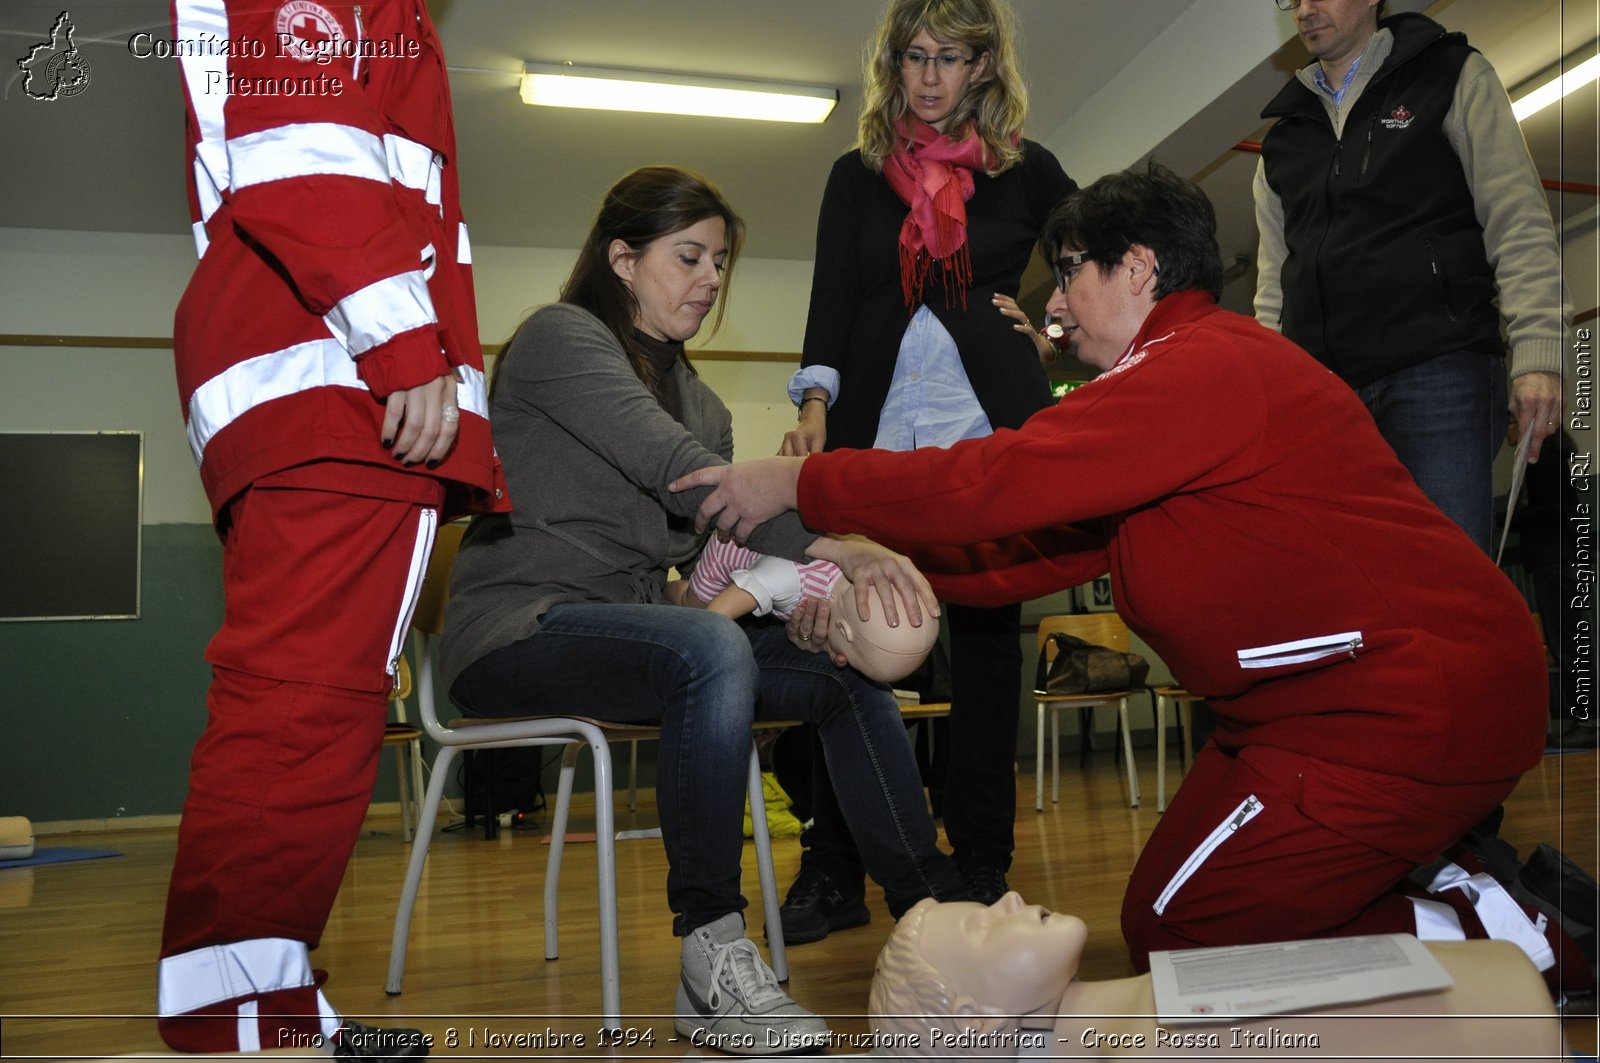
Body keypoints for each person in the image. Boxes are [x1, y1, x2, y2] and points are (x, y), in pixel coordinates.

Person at [671, 164, 1591, 999]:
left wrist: (802, 481)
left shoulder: (1200, 365)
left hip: (1407, 705)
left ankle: (1512, 932)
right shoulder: (1170, 391)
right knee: (1165, 919)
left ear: (1140, 267)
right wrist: (863, 569)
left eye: (1071, 271)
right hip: (1305, 715)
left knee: (1184, 927)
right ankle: (1442, 874)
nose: (1057, 303)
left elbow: (998, 481)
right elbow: (1017, 560)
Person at [437, 166, 967, 1053]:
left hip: (646, 634)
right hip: (518, 631)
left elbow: (693, 572)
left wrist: (788, 608)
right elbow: (683, 472)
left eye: (719, 262)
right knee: (703, 650)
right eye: (689, 256)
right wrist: (842, 542)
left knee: (833, 677)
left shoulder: (707, 404)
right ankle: (712, 950)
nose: (711, 278)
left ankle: (935, 916)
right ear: (622, 258)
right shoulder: (559, 338)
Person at [157, 2, 504, 1057]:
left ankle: (263, 1000)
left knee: (306, 703)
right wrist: (404, 347)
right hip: (335, 380)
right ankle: (240, 1019)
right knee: (304, 704)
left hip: (317, 379)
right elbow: (300, 142)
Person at [776, 0, 1079, 936]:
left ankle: (982, 863)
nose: (931, 76)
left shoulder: (1025, 171)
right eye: (915, 57)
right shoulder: (856, 175)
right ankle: (834, 863)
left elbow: (1096, 248)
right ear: (894, 64)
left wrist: (1057, 325)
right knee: (851, 643)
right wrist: (815, 410)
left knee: (986, 654)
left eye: (951, 58)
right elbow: (832, 297)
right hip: (876, 436)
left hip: (985, 440)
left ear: (985, 68)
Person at [1254, 0, 1571, 555]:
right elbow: (1272, 290)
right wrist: (1270, 403)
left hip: (1440, 373)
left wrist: (1539, 354)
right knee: (1362, 592)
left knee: (1450, 580)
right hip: (1327, 402)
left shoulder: (1451, 75)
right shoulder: (1282, 141)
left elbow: (1517, 218)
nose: (1304, 9)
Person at [867, 894, 1564, 1061]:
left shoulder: (1141, 1003)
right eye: (986, 923)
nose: (1010, 899)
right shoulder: (1141, 1041)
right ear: (976, 1019)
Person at [665, 538, 938, 684]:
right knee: (693, 605)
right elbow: (721, 612)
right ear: (844, 630)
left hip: (767, 560)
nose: (840, 658)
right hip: (729, 551)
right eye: (850, 659)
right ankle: (666, 589)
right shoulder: (792, 578)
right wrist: (710, 630)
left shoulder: (858, 570)